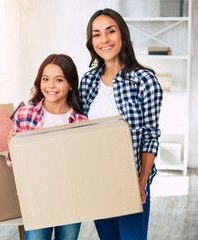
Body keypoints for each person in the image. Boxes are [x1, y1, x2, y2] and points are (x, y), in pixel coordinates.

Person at [79, 8, 163, 240]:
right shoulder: (88, 81)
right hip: (98, 184)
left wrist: (142, 182)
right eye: (96, 34)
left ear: (123, 35)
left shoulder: (144, 80)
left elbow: (151, 136)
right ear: (91, 41)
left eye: (110, 31)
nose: (104, 39)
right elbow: (75, 128)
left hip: (131, 184)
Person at [7, 53, 88, 240]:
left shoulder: (81, 121)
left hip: (71, 199)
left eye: (59, 80)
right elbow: (14, 164)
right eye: (46, 79)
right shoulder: (25, 114)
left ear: (71, 84)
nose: (51, 85)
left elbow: (83, 165)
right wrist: (13, 150)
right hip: (37, 198)